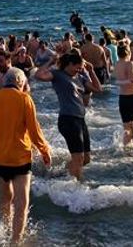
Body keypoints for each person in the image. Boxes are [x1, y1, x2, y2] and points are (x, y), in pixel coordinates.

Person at [0, 67, 51, 245]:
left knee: (5, 197)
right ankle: (15, 241)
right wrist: (45, 150)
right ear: (20, 81)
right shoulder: (25, 99)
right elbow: (35, 131)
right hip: (20, 157)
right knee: (21, 202)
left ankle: (7, 227)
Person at [35, 50, 101, 180]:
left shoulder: (80, 78)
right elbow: (38, 75)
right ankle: (78, 186)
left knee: (86, 159)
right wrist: (50, 61)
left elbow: (98, 89)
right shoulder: (58, 75)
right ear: (70, 64)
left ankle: (59, 174)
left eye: (81, 67)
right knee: (78, 158)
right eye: (78, 67)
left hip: (81, 120)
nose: (80, 69)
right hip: (68, 120)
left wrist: (91, 71)